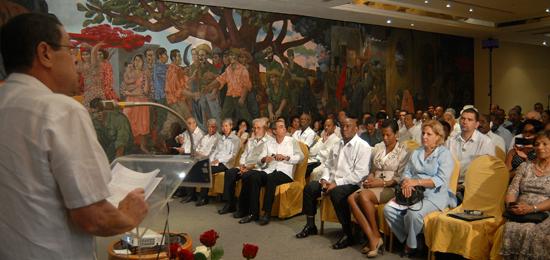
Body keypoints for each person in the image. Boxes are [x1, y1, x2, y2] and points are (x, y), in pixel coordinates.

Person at [0, 13, 148, 259]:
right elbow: (93, 218)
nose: (75, 61)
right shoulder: (59, 109)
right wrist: (129, 216)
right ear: (45, 53)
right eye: (70, 50)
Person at [384, 120, 456, 257]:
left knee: (413, 214)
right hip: (413, 191)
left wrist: (415, 182)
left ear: (438, 136)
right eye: (423, 133)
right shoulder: (417, 151)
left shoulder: (445, 154)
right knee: (388, 209)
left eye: (429, 134)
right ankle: (414, 238)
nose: (424, 136)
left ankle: (410, 246)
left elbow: (441, 179)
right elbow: (407, 172)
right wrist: (406, 184)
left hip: (435, 194)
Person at [296, 118, 371, 250]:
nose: (344, 129)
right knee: (310, 188)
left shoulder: (363, 146)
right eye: (342, 126)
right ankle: (311, 226)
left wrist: (337, 184)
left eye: (348, 126)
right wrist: (324, 179)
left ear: (356, 128)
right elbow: (328, 165)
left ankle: (348, 234)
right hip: (332, 181)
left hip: (352, 184)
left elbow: (360, 174)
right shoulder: (337, 144)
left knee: (337, 193)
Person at [349, 119, 411, 257]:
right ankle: (373, 237)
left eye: (388, 135)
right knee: (351, 198)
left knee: (363, 196)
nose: (385, 138)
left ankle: (375, 236)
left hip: (390, 187)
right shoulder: (378, 147)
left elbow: (400, 178)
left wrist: (381, 184)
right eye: (383, 135)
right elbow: (372, 169)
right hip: (374, 183)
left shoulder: (404, 151)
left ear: (396, 133)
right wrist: (370, 177)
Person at [237, 120, 304, 225]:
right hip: (269, 170)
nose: (284, 129)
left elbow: (301, 157)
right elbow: (260, 160)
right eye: (281, 127)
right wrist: (264, 159)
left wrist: (287, 157)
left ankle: (267, 212)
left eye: (284, 127)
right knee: (253, 177)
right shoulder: (268, 143)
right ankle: (253, 212)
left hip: (285, 172)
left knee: (271, 178)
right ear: (274, 131)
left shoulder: (292, 141)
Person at [500, 130, 550, 260]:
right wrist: (512, 205)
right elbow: (512, 190)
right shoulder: (525, 166)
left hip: (544, 213)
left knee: (532, 231)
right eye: (537, 144)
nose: (540, 147)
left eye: (545, 144)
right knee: (510, 227)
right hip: (521, 211)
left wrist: (532, 208)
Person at [219, 118, 272, 215]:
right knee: (229, 173)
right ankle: (230, 204)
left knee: (247, 176)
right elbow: (244, 155)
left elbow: (266, 162)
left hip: (257, 168)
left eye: (259, 128)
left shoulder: (270, 141)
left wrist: (249, 168)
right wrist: (242, 165)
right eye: (254, 128)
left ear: (264, 128)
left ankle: (243, 208)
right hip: (245, 166)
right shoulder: (251, 140)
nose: (256, 131)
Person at [446, 108, 495, 202]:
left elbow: (486, 171)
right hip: (450, 183)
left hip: (473, 186)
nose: (465, 122)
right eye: (463, 119)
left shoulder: (485, 142)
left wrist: (461, 186)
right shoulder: (451, 140)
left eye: (469, 119)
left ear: (477, 124)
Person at [196, 119, 242, 206]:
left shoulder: (236, 140)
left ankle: (203, 197)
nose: (225, 128)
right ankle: (203, 196)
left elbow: (233, 156)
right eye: (223, 126)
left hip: (226, 164)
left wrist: (217, 160)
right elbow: (215, 152)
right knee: (204, 167)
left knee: (207, 170)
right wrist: (210, 161)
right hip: (216, 162)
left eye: (226, 126)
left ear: (231, 126)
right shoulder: (221, 139)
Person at [205, 48, 253, 123]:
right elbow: (220, 79)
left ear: (237, 57)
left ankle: (250, 131)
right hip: (229, 97)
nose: (230, 57)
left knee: (244, 116)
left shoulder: (243, 70)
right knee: (224, 116)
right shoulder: (228, 69)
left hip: (239, 96)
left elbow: (246, 85)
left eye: (232, 55)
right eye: (229, 55)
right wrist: (209, 86)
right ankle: (228, 131)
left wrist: (242, 98)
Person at [182, 118, 221, 203]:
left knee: (204, 169)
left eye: (213, 127)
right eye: (209, 127)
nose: (210, 129)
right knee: (189, 165)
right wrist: (197, 153)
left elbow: (213, 154)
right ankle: (191, 195)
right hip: (199, 158)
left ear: (217, 128)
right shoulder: (205, 137)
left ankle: (204, 197)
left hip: (208, 160)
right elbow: (198, 148)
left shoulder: (218, 138)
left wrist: (200, 155)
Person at [123, 53, 152, 154]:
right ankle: (128, 146)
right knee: (127, 121)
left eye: (139, 60)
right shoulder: (130, 73)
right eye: (135, 60)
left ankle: (142, 146)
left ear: (143, 62)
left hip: (142, 102)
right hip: (130, 101)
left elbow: (147, 92)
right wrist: (134, 93)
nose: (137, 63)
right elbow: (124, 90)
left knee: (142, 124)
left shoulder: (146, 74)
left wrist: (147, 79)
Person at [163, 49, 196, 139]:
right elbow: (179, 92)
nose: (181, 58)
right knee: (187, 121)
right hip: (176, 101)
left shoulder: (178, 70)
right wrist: (193, 95)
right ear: (173, 58)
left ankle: (165, 140)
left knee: (171, 122)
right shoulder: (173, 73)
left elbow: (183, 85)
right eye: (179, 56)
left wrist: (192, 78)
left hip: (177, 101)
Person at [89, 98, 133, 163]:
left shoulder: (118, 118)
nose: (97, 115)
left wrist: (118, 160)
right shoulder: (91, 117)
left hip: (123, 148)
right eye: (94, 112)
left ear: (105, 109)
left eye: (99, 111)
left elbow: (122, 140)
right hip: (106, 146)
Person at [78, 41, 105, 110]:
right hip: (87, 93)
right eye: (83, 55)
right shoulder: (81, 65)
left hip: (96, 92)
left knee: (98, 111)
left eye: (86, 54)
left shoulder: (94, 64)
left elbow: (94, 52)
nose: (84, 56)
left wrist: (89, 45)